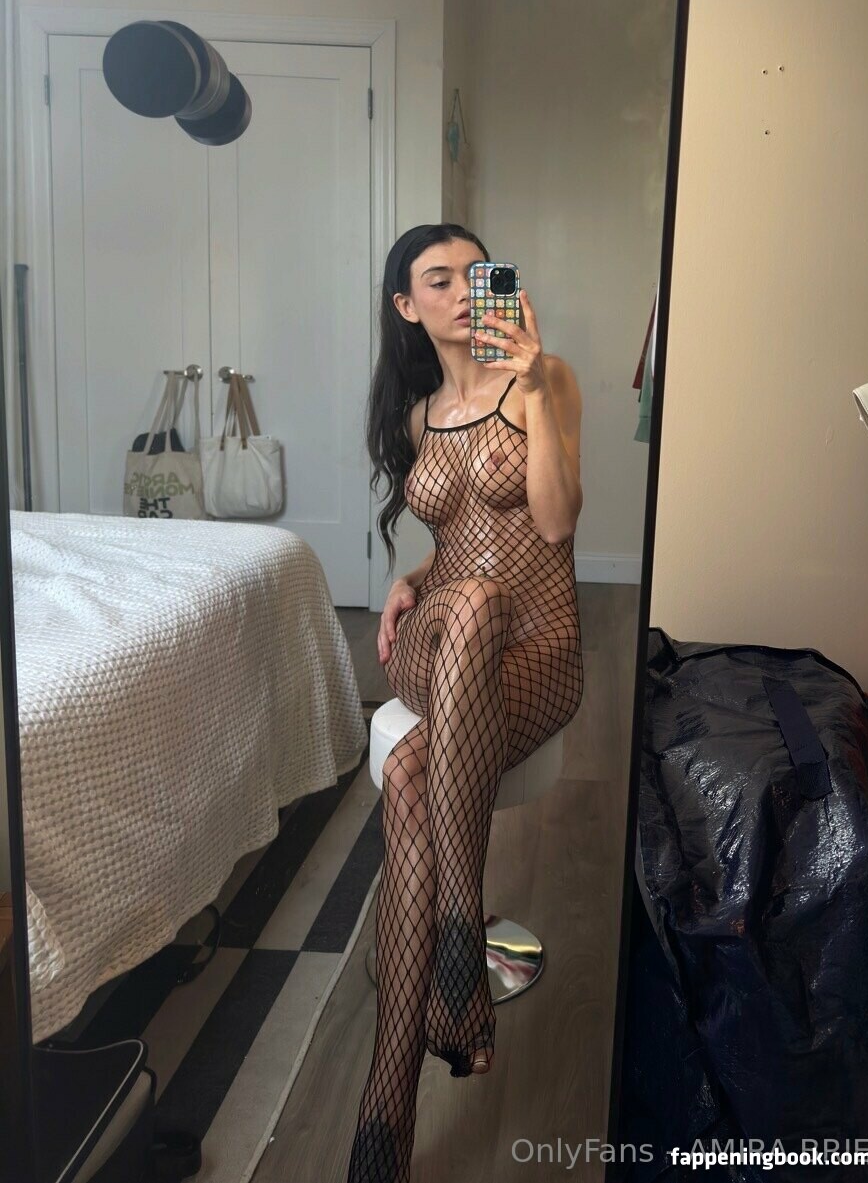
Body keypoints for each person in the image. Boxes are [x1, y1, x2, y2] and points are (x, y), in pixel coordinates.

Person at [347, 223, 584, 1182]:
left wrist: (532, 385)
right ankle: (460, 934)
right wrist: (412, 576)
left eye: (473, 275)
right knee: (471, 593)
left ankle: (383, 1115)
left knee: (409, 772)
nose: (458, 292)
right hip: (443, 641)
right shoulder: (418, 416)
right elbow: (458, 544)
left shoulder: (544, 380)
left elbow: (555, 523)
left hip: (539, 651)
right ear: (407, 307)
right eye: (436, 281)